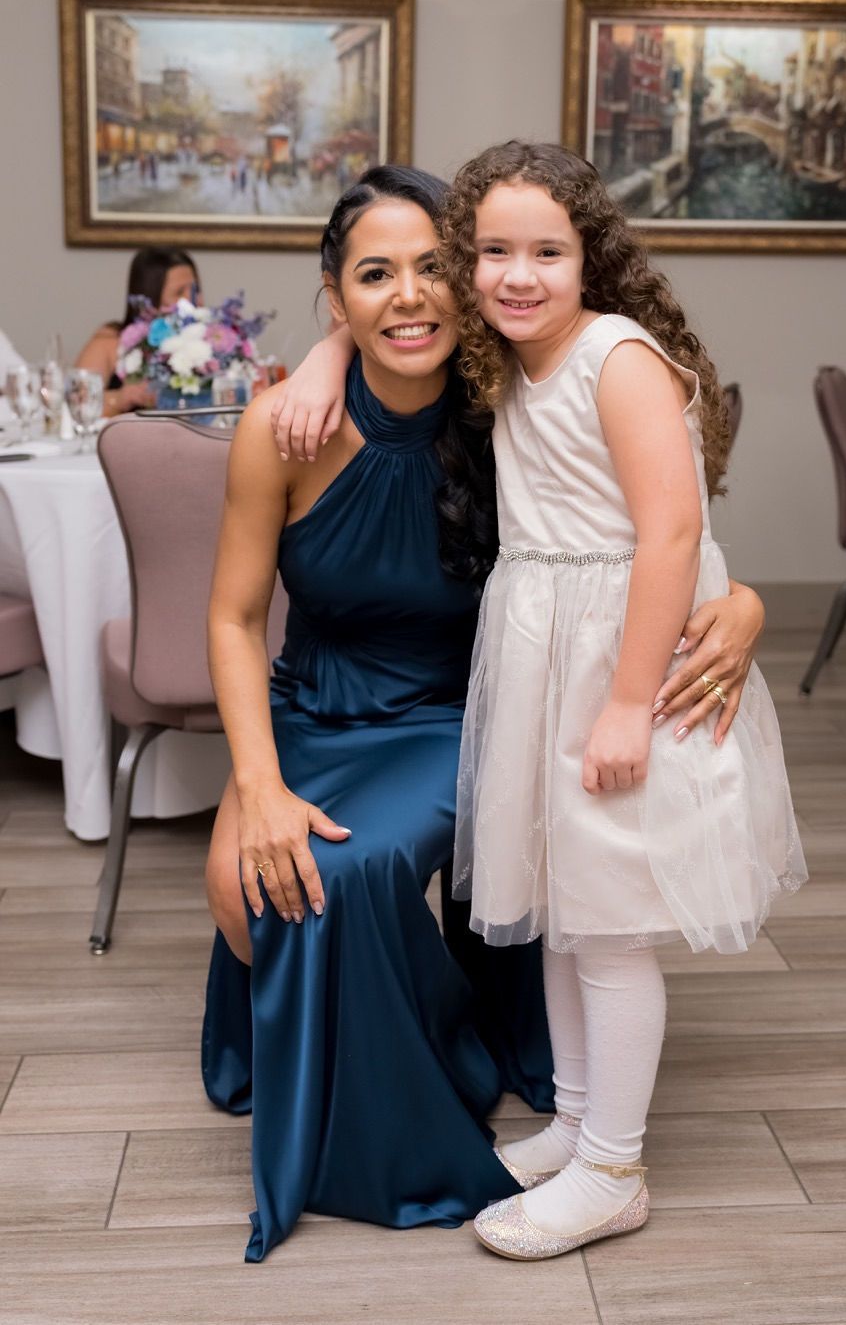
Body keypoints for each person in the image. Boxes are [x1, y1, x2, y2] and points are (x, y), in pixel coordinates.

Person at [204, 165, 769, 1264]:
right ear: (334, 294)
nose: (409, 294)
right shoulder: (290, 420)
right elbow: (231, 618)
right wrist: (257, 781)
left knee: (352, 873)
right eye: (374, 276)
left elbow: (655, 523)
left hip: (469, 705)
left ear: (465, 284)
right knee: (244, 887)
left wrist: (739, 604)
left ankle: (467, 1101)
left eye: (432, 269)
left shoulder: (508, 386)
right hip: (321, 697)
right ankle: (421, 1047)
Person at [433, 141, 805, 1259]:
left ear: (589, 255)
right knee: (560, 900)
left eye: (546, 250)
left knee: (611, 923)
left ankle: (613, 1166)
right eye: (493, 251)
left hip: (617, 657)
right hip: (545, 642)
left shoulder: (613, 354)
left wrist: (627, 701)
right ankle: (576, 1117)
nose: (517, 273)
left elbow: (672, 530)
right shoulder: (508, 360)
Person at [74, 246, 201, 416]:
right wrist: (120, 398)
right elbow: (74, 408)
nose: (192, 300)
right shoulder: (109, 341)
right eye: (179, 292)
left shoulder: (215, 345)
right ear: (150, 296)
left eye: (195, 290)